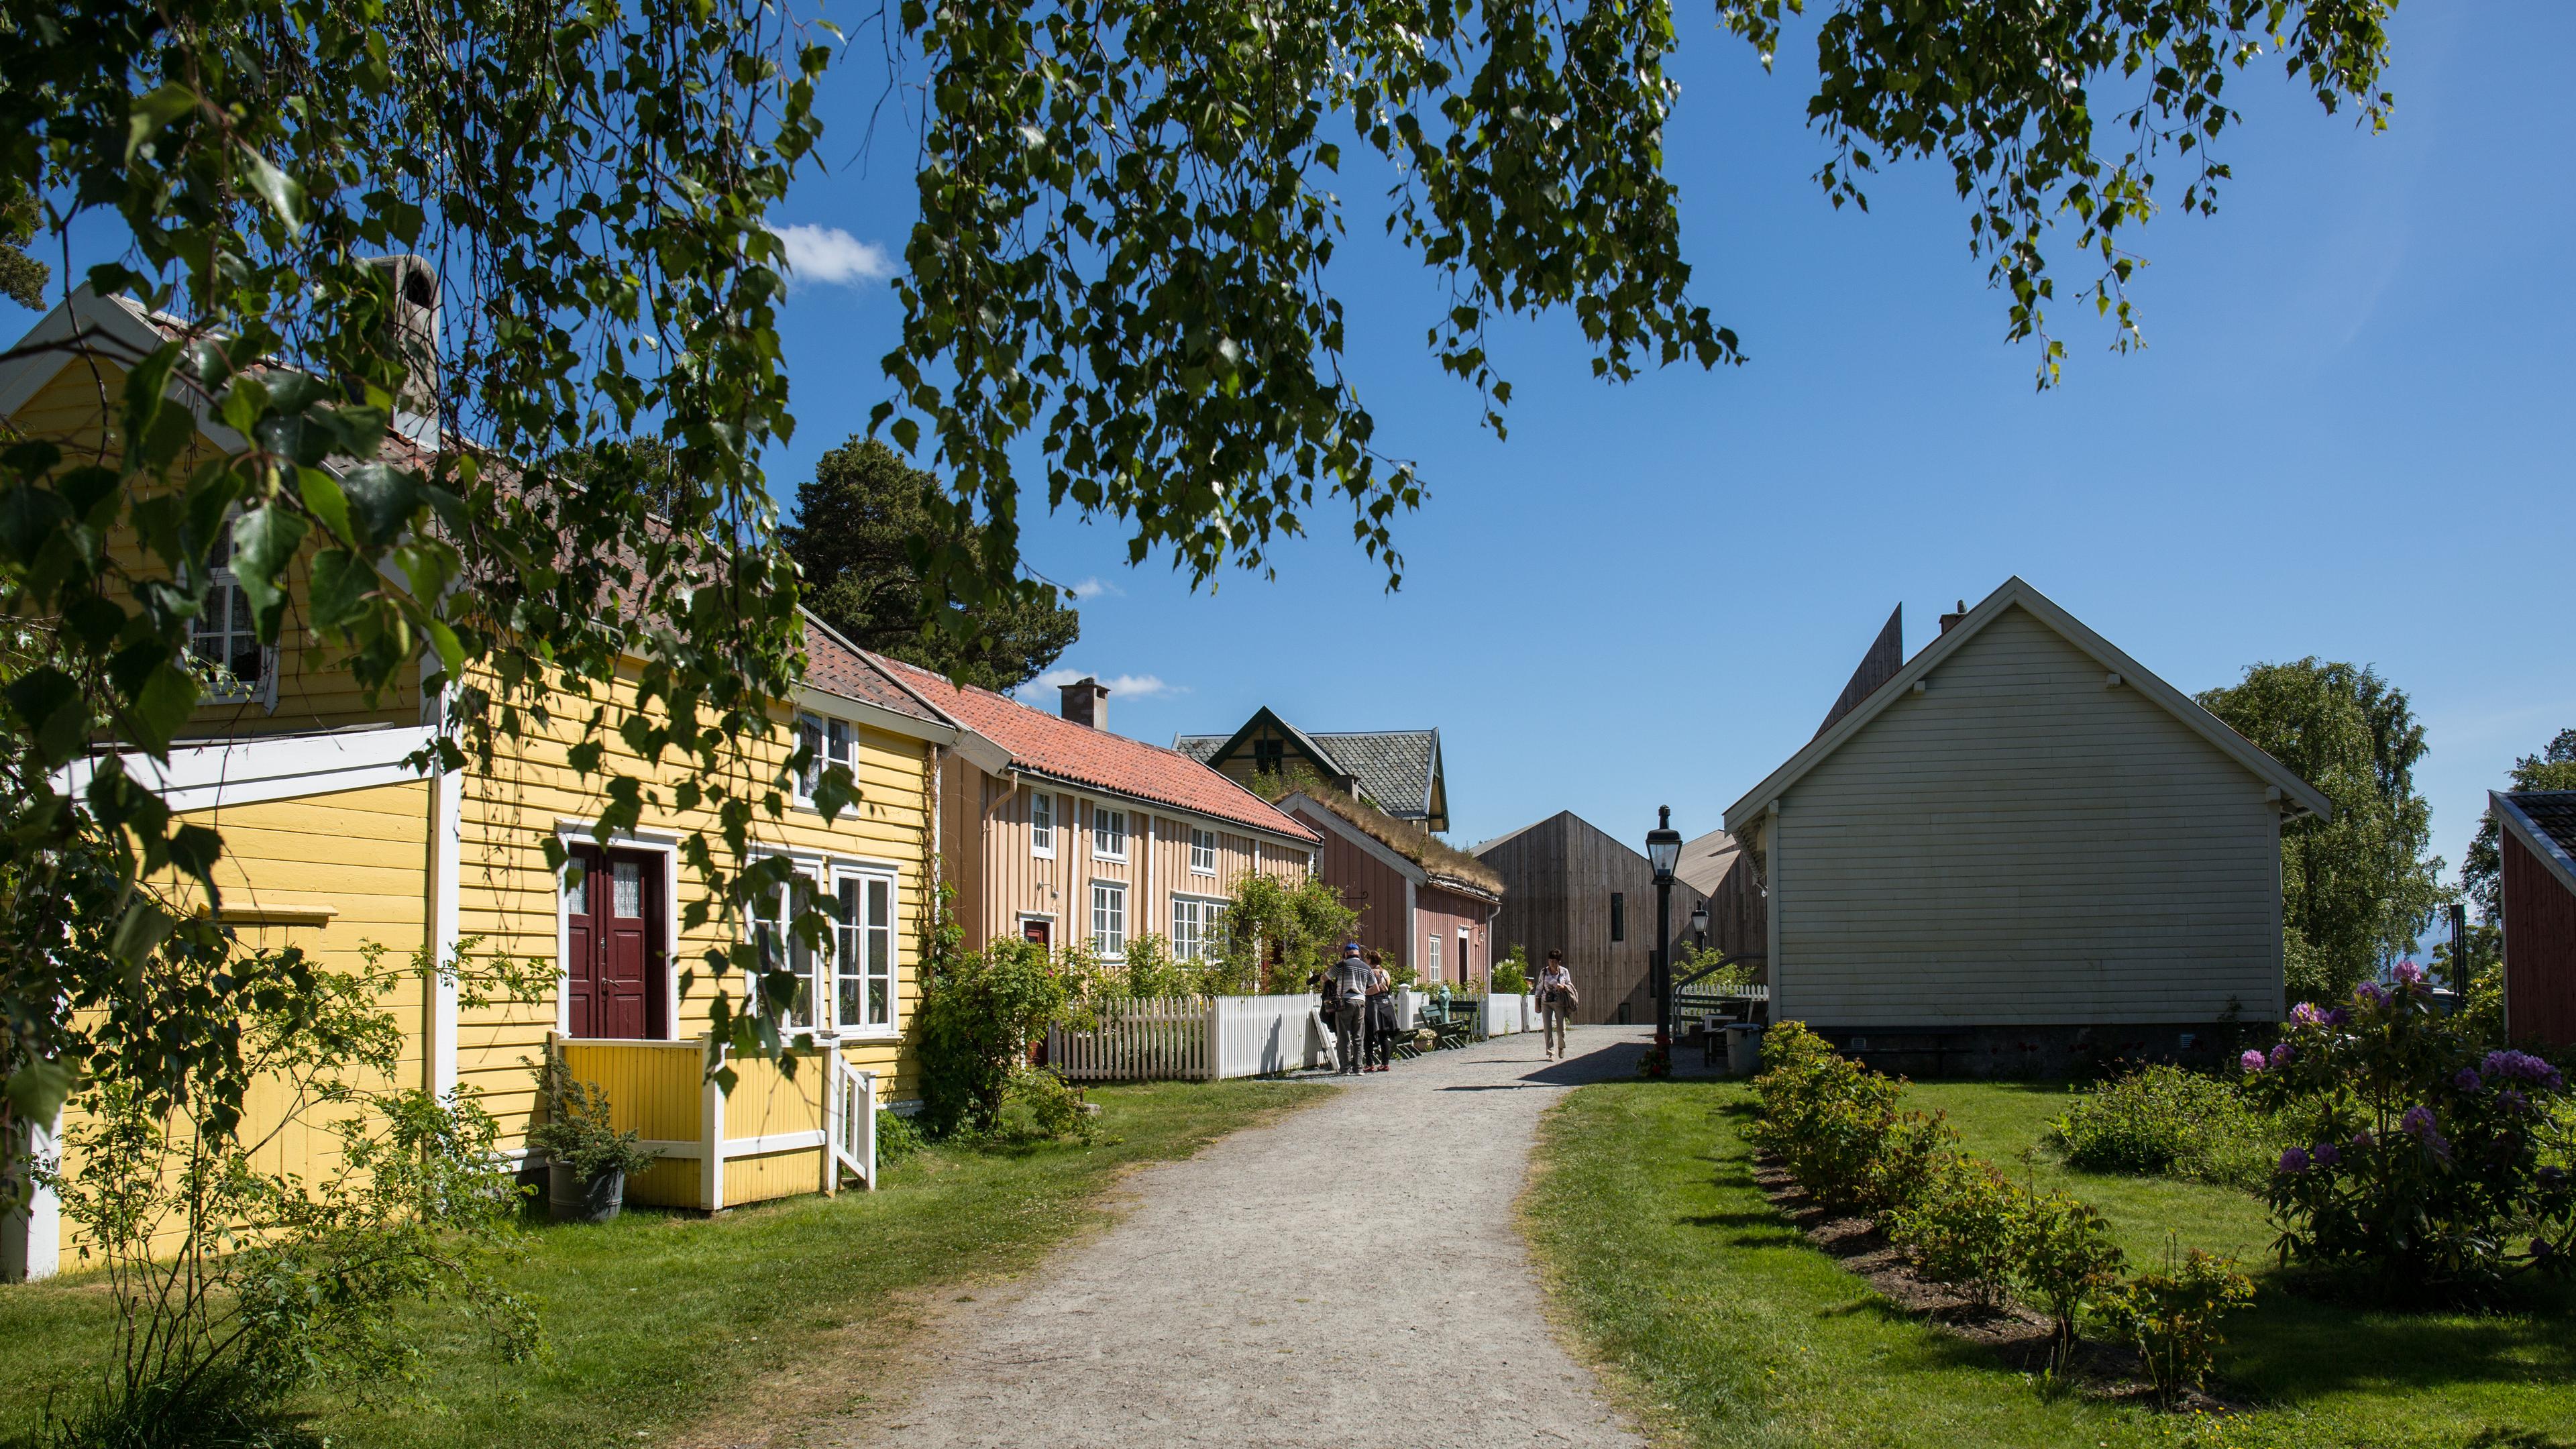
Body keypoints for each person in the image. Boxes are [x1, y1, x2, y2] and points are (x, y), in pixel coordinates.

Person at [1329, 943, 1374, 1075]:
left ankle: (1345, 1069)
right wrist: (1363, 993)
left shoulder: (1341, 965)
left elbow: (1326, 977)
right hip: (1360, 1002)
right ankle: (1359, 1068)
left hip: (1345, 1001)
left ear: (1347, 953)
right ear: (1358, 953)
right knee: (1359, 1036)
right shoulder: (1366, 968)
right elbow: (1376, 987)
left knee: (1344, 1036)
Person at [1538, 949, 1577, 1061]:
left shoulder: (1564, 972)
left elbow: (1570, 985)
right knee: (1547, 1027)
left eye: (1554, 961)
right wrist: (1537, 1002)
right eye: (1550, 961)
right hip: (1546, 1002)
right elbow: (1539, 987)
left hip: (1559, 1001)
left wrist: (1563, 987)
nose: (1552, 964)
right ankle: (1550, 1052)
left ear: (1559, 961)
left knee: (1561, 1028)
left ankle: (1561, 1047)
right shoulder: (1544, 972)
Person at [1364, 951, 1397, 1072]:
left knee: (1368, 1034)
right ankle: (1385, 1063)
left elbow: (1371, 988)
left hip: (1373, 1004)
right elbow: (1389, 989)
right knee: (1383, 1034)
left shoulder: (1370, 972)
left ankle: (1369, 1064)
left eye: (1366, 959)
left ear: (1370, 960)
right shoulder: (1385, 972)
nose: (1365, 961)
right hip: (1386, 1004)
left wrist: (1363, 992)